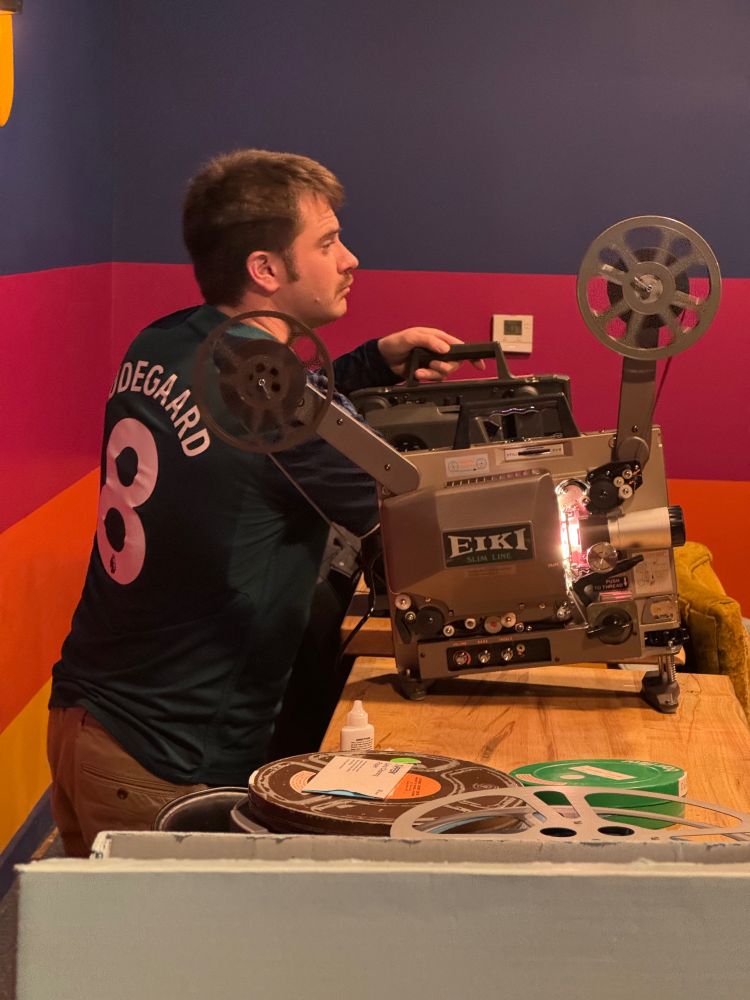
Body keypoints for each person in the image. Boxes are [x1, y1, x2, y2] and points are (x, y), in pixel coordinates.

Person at [47, 149, 475, 856]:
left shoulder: (164, 339)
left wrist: (371, 362)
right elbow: (413, 518)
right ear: (266, 270)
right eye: (328, 242)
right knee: (185, 967)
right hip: (169, 757)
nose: (350, 259)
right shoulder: (276, 403)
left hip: (87, 720)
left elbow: (266, 427)